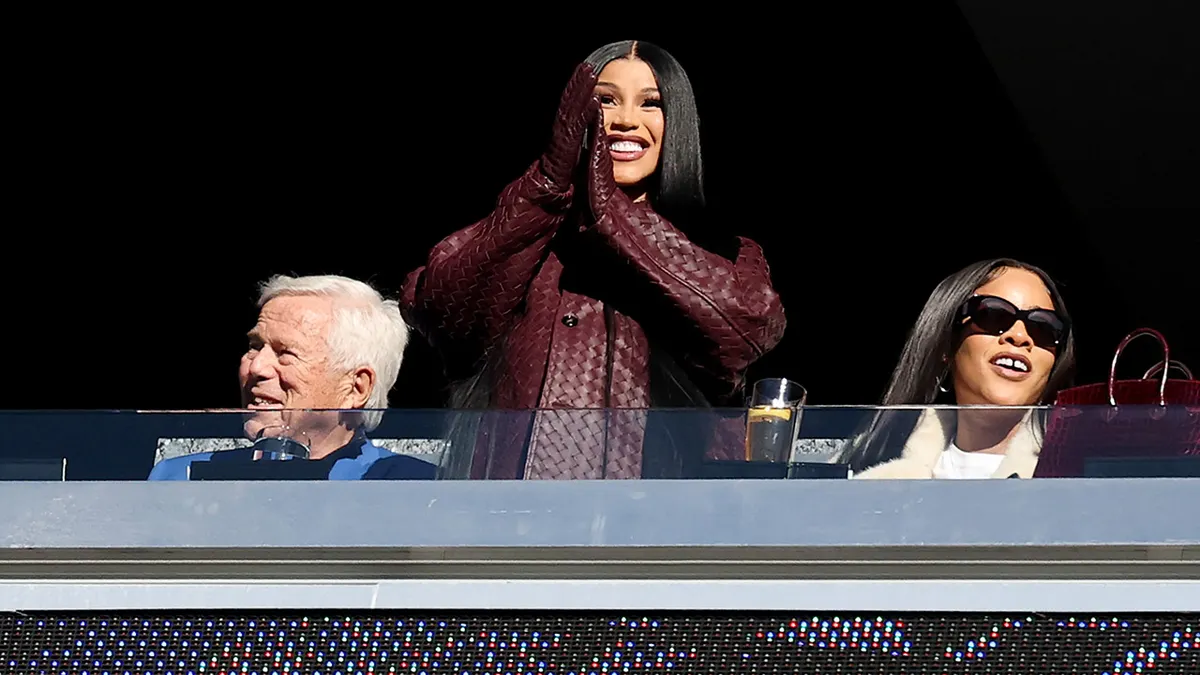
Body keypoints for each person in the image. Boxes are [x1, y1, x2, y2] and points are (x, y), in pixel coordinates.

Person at [401, 40, 786, 480]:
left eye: (651, 104)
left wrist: (611, 214)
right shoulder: (523, 229)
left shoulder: (722, 249)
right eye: (605, 100)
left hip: (662, 520)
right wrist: (548, 181)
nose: (625, 120)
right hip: (510, 520)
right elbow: (438, 307)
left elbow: (749, 327)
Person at [148, 274, 435, 480]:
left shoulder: (412, 489)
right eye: (254, 346)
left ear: (355, 388)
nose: (256, 367)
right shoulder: (178, 479)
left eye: (286, 353)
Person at [839, 258, 1076, 479]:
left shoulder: (1082, 481)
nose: (1019, 336)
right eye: (994, 315)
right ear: (946, 343)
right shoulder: (862, 481)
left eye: (1044, 327)